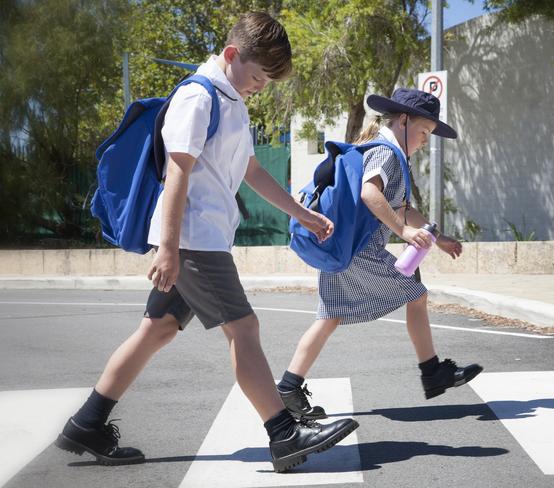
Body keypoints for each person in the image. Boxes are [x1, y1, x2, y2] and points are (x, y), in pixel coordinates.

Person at [55, 12, 358, 473]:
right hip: (194, 241)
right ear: (233, 55)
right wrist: (170, 249)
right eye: (258, 75)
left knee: (155, 331)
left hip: (201, 238)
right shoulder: (198, 98)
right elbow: (178, 172)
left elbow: (250, 171)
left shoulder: (231, 98)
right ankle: (284, 434)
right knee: (244, 329)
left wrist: (303, 214)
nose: (260, 85)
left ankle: (87, 422)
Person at [277, 89, 483, 420]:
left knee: (329, 317)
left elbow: (402, 208)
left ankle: (288, 387)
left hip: (343, 249)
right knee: (416, 294)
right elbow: (369, 192)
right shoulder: (386, 152)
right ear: (402, 120)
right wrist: (402, 232)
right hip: (360, 251)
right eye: (422, 132)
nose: (423, 141)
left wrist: (438, 237)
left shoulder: (388, 153)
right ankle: (432, 373)